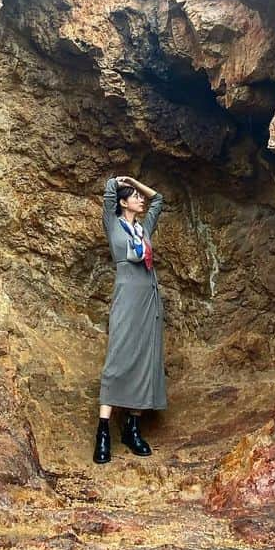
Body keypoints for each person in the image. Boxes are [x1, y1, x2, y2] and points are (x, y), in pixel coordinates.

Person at [94, 172, 166, 463]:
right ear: (123, 203)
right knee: (118, 357)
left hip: (149, 298)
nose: (140, 200)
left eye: (138, 196)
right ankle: (103, 432)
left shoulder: (144, 229)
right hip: (127, 297)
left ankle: (132, 428)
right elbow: (110, 192)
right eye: (135, 197)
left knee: (145, 359)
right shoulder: (115, 225)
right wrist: (121, 183)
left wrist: (137, 183)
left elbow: (158, 199)